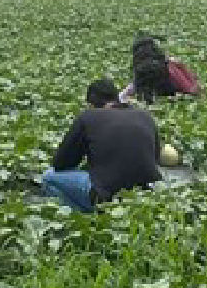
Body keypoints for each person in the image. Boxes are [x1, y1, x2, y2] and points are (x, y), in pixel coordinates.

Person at [41, 78, 162, 212]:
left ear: (91, 104)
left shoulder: (88, 117)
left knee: (48, 177)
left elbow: (60, 163)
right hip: (143, 194)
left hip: (105, 195)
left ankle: (87, 214)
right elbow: (155, 156)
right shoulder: (144, 115)